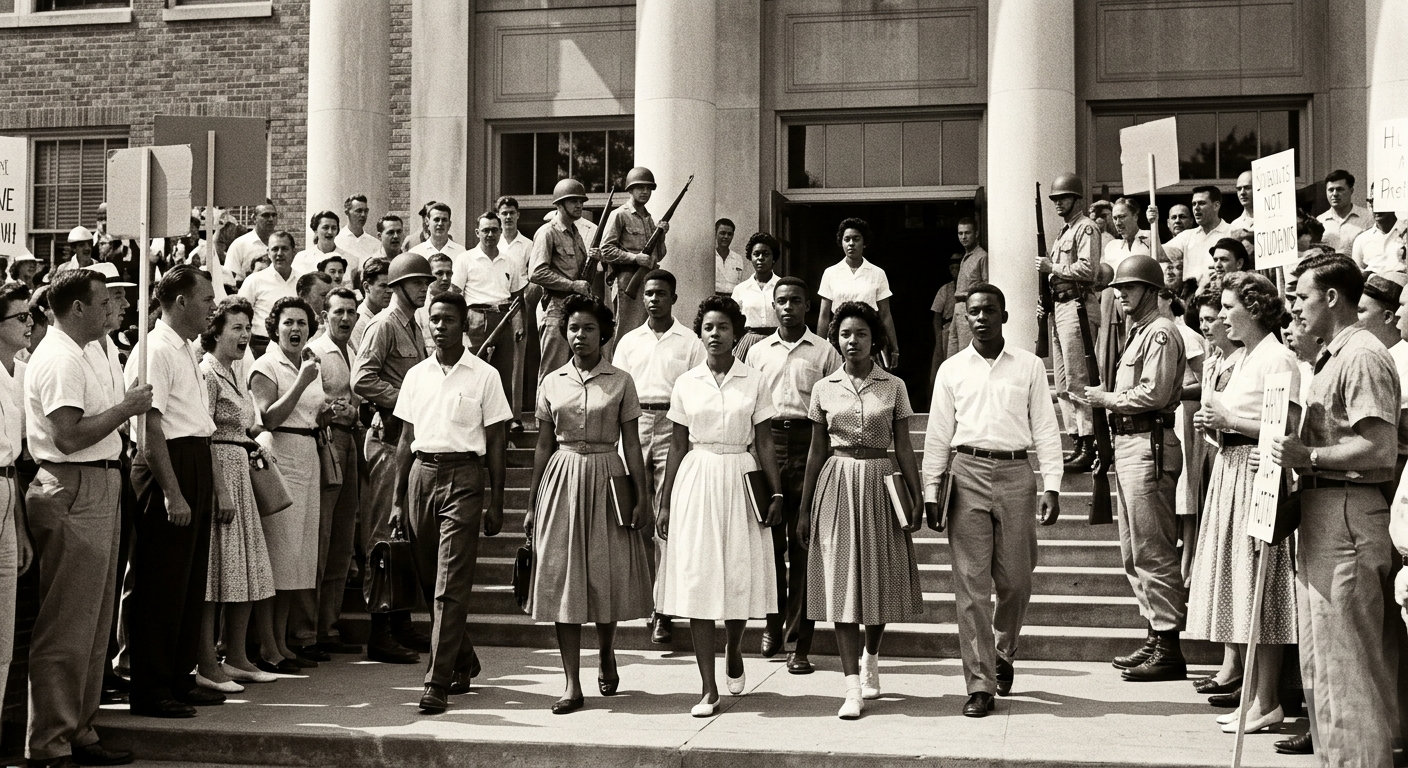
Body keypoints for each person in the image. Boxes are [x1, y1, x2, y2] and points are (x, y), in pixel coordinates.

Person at [1277, 253, 1399, 766]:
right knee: (1323, 665)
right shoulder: (1334, 356)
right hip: (1325, 511)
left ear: (1331, 298)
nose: (1296, 309)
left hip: (1347, 512)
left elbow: (1380, 448)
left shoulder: (1362, 355)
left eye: (1302, 297)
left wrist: (1310, 456)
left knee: (1346, 667)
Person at [24, 271, 149, 762]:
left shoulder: (86, 351)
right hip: (73, 483)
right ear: (77, 309)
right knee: (68, 624)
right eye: (102, 302)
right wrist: (126, 409)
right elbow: (68, 436)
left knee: (95, 622)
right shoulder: (58, 358)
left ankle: (79, 730)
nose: (110, 309)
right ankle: (50, 743)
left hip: (100, 481)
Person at [923, 283, 1062, 718]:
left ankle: (1004, 649)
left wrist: (1052, 483)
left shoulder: (1028, 366)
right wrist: (932, 488)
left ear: (1004, 315)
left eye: (989, 311)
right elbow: (938, 435)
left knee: (1017, 581)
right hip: (966, 475)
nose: (981, 318)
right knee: (971, 586)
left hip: (1017, 474)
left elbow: (1045, 426)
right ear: (965, 318)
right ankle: (980, 683)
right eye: (974, 312)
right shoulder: (952, 370)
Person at [655, 296, 783, 718]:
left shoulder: (755, 379)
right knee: (699, 577)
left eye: (723, 327)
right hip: (698, 476)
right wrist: (667, 499)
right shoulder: (687, 381)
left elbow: (764, 440)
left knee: (739, 571)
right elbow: (676, 444)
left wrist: (775, 493)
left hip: (742, 477)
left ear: (737, 332)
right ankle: (708, 687)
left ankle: (733, 646)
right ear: (700, 332)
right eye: (708, 327)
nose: (715, 334)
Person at [525, 294, 652, 714]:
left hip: (607, 476)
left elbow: (632, 444)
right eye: (574, 328)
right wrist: (532, 503)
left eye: (589, 328)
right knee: (564, 577)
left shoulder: (621, 380)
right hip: (562, 478)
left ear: (604, 333)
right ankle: (570, 683)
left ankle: (607, 649)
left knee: (604, 572)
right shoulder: (551, 380)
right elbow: (543, 446)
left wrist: (641, 496)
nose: (580, 336)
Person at [1187, 272, 1300, 735]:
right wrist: (1216, 427)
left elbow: (1287, 426)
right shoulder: (1245, 357)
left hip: (1258, 479)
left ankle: (1267, 699)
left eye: (1231, 308)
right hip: (1231, 470)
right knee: (1239, 585)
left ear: (1253, 310)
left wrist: (1231, 419)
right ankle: (1253, 695)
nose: (1223, 318)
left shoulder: (1279, 358)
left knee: (1260, 589)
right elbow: (1242, 421)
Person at [800, 300, 922, 719]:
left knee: (878, 577)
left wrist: (916, 492)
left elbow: (903, 445)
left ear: (875, 340)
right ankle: (851, 685)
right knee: (841, 583)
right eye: (846, 334)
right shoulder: (823, 387)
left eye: (862, 334)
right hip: (836, 482)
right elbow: (816, 450)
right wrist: (804, 507)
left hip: (881, 482)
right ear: (836, 339)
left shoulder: (894, 386)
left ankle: (872, 655)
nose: (853, 341)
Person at [392, 291, 511, 714]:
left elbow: (496, 442)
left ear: (465, 325)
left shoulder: (484, 375)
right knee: (429, 579)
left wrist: (496, 500)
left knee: (450, 583)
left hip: (464, 475)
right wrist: (396, 500)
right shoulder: (416, 376)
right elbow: (406, 440)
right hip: (421, 475)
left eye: (449, 320)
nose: (440, 326)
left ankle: (436, 681)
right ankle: (465, 657)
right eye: (435, 320)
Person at [1073, 254, 1188, 682]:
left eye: (1129, 288)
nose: (1120, 295)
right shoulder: (1138, 332)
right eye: (1118, 289)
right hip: (1130, 442)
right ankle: (1156, 635)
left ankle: (1169, 645)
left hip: (1149, 442)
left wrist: (1105, 400)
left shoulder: (1159, 333)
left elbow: (1153, 393)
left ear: (1152, 291)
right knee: (1133, 550)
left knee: (1153, 549)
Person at [126, 265, 224, 720]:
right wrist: (172, 492)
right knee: (161, 583)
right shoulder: (154, 350)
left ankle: (179, 677)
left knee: (187, 583)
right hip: (169, 464)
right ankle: (151, 687)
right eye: (206, 300)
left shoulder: (184, 348)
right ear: (181, 301)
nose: (213, 308)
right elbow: (150, 429)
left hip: (195, 458)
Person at [744, 276, 842, 674]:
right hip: (766, 446)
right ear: (773, 304)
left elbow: (836, 404)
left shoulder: (824, 352)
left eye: (796, 301)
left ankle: (799, 643)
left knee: (803, 546)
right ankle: (771, 624)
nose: (787, 308)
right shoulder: (756, 353)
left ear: (807, 306)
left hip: (809, 445)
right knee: (769, 546)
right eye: (781, 301)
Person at [611, 269, 706, 646]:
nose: (653, 299)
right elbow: (618, 388)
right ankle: (643, 598)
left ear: (674, 298)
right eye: (649, 293)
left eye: (661, 294)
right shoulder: (629, 342)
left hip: (673, 424)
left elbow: (699, 387)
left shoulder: (690, 341)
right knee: (637, 512)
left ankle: (663, 610)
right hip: (635, 425)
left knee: (671, 515)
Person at [351, 253, 435, 664]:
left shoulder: (414, 326)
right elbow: (361, 378)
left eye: (426, 282)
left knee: (402, 535)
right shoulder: (383, 325)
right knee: (382, 537)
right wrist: (406, 403)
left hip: (408, 442)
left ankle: (400, 622)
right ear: (400, 286)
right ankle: (379, 630)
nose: (424, 288)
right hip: (387, 441)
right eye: (417, 283)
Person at [195, 298, 278, 690]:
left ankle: (238, 657)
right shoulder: (208, 374)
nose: (244, 335)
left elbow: (241, 426)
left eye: (248, 328)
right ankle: (208, 664)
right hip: (220, 476)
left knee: (246, 567)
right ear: (215, 332)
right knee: (216, 572)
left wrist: (255, 441)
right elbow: (204, 435)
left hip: (241, 472)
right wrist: (219, 489)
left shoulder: (234, 373)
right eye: (236, 328)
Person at [249, 297, 332, 669]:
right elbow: (266, 419)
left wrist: (327, 412)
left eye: (301, 322)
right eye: (288, 323)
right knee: (278, 554)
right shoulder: (267, 365)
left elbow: (308, 411)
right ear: (274, 327)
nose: (295, 329)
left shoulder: (305, 362)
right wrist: (300, 383)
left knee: (296, 559)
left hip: (308, 454)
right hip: (280, 455)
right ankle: (266, 645)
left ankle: (280, 642)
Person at [306, 288, 362, 655]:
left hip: (351, 441)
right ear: (325, 316)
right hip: (326, 442)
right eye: (338, 312)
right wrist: (338, 409)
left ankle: (328, 624)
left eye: (351, 312)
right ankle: (308, 630)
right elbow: (312, 403)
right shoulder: (315, 351)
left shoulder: (353, 349)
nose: (345, 319)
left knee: (343, 537)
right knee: (322, 537)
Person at [1035, 173, 1100, 474]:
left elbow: (1088, 268)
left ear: (1077, 199)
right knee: (1062, 384)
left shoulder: (1086, 228)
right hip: (1060, 307)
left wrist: (1053, 267)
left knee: (1078, 379)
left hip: (1078, 307)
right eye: (1055, 199)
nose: (1058, 203)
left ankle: (1090, 442)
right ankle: (1076, 440)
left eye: (1063, 198)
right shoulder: (1064, 232)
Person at [452, 211, 523, 409]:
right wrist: (459, 326)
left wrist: (518, 326)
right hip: (475, 318)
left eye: (494, 230)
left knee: (503, 375)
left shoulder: (510, 261)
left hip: (504, 317)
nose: (490, 234)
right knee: (472, 371)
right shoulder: (465, 259)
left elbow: (517, 298)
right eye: (485, 230)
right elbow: (455, 295)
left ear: (501, 232)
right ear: (477, 232)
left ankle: (503, 431)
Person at [530, 179, 595, 384]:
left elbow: (583, 275)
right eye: (573, 201)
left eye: (580, 201)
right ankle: (544, 417)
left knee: (574, 373)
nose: (579, 205)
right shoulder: (547, 232)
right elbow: (536, 273)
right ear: (559, 204)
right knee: (552, 373)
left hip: (575, 311)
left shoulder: (576, 234)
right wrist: (572, 285)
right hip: (556, 309)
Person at [599, 166, 669, 356]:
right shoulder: (620, 215)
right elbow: (605, 250)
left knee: (645, 333)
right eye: (640, 187)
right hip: (627, 281)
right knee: (626, 333)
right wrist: (634, 257)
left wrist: (661, 235)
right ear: (630, 190)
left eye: (648, 188)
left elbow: (658, 255)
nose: (645, 192)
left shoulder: (649, 218)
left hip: (646, 281)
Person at [0, 283, 29, 725]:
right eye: (20, 318)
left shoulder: (19, 373)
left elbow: (17, 461)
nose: (28, 324)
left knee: (4, 637)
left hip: (8, 492)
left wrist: (21, 529)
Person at [816, 218, 901, 368]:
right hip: (840, 339)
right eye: (846, 239)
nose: (851, 244)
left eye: (856, 239)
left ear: (864, 242)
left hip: (869, 337)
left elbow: (885, 314)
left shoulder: (877, 273)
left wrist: (894, 348)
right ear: (841, 242)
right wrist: (819, 347)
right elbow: (824, 315)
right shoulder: (830, 273)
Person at [1100, 199, 1153, 381]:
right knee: (1116, 355)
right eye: (1115, 218)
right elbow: (1103, 277)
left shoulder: (1150, 238)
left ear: (1136, 216)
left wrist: (1155, 223)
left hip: (1143, 306)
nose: (1118, 222)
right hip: (1116, 306)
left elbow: (1162, 261)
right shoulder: (1112, 246)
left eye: (1122, 216)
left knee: (1138, 352)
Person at [495, 196, 535, 431]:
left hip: (519, 305)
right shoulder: (491, 241)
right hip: (495, 306)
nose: (508, 217)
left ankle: (516, 417)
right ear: (498, 215)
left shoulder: (527, 245)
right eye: (504, 213)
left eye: (512, 212)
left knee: (517, 363)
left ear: (518, 215)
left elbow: (532, 279)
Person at [238, 231, 305, 356]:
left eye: (284, 249)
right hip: (260, 347)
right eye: (275, 249)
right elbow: (239, 314)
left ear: (293, 252)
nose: (279, 254)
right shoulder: (254, 281)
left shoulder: (303, 281)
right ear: (268, 253)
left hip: (295, 345)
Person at [1154, 186, 1231, 286]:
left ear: (1216, 206)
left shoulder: (1231, 231)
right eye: (1194, 204)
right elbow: (1159, 255)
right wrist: (1154, 223)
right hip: (1191, 297)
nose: (1196, 208)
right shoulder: (1186, 236)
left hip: (1220, 293)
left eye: (1201, 203)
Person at [729, 231, 782, 361]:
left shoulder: (781, 287)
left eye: (766, 254)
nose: (760, 258)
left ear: (773, 257)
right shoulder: (740, 289)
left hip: (776, 342)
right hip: (748, 343)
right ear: (750, 257)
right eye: (756, 254)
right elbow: (732, 321)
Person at [950, 217, 988, 353]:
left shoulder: (981, 256)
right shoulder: (966, 257)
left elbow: (986, 286)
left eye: (967, 233)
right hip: (957, 308)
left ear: (976, 234)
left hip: (969, 307)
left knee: (965, 352)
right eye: (960, 233)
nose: (964, 237)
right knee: (953, 353)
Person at [1317, 170, 1373, 253]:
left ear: (1351, 191)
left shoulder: (1368, 218)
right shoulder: (1320, 221)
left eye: (1340, 189)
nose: (1335, 194)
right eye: (1331, 190)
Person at [227, 203, 279, 282]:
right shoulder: (240, 244)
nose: (271, 219)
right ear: (254, 218)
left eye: (274, 215)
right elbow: (229, 279)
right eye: (266, 215)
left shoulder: (281, 244)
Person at [352, 256, 392, 350]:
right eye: (383, 286)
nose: (390, 291)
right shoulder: (358, 322)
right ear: (366, 287)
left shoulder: (389, 315)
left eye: (391, 286)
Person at [1352, 210, 1406, 276]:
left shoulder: (1405, 231)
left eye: (1381, 204)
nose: (1376, 209)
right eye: (1372, 202)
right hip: (1372, 283)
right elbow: (1357, 273)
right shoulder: (1362, 239)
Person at [929, 262, 959, 377]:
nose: (955, 270)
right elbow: (936, 315)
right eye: (952, 267)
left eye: (958, 266)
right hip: (948, 327)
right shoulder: (945, 289)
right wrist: (939, 337)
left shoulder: (970, 287)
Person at [335, 194, 382, 266]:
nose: (363, 215)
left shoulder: (376, 244)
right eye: (359, 211)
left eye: (365, 211)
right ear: (347, 212)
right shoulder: (336, 241)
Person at [713, 218, 747, 296]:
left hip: (732, 299)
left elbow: (739, 284)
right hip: (713, 299)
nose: (726, 237)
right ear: (715, 234)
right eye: (722, 233)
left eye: (729, 234)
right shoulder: (710, 257)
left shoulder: (738, 258)